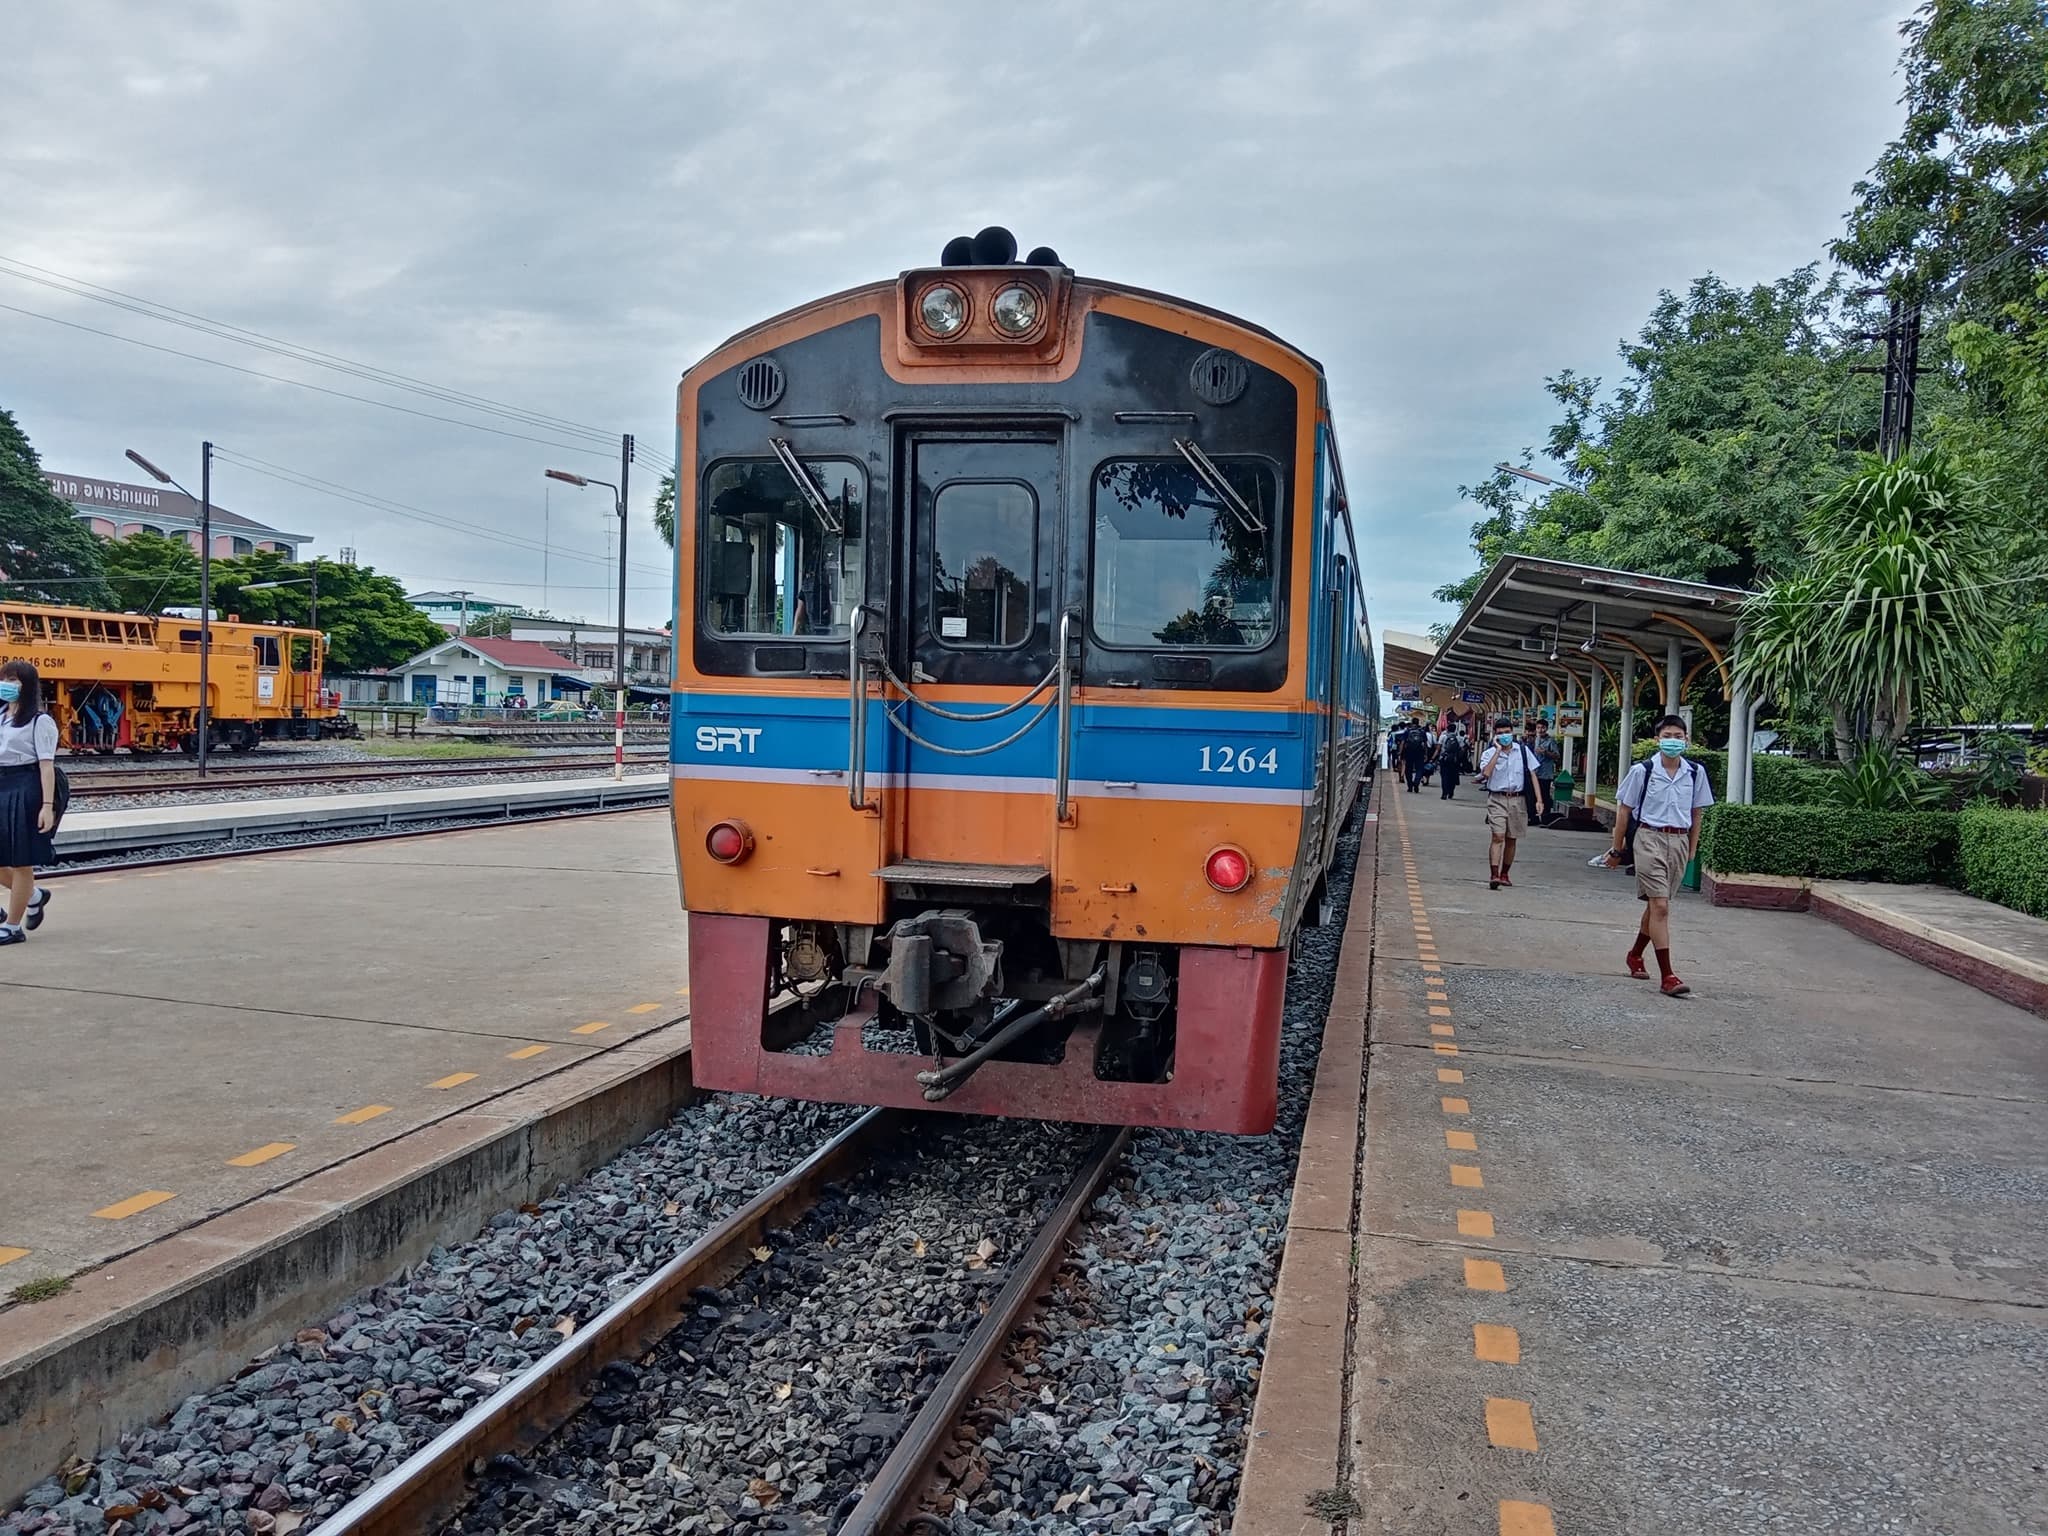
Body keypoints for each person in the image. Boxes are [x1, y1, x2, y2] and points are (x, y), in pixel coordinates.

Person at [1604, 713, 1714, 997]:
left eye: (1678, 737)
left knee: (1656, 907)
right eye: (1667, 736)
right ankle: (1668, 976)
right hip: (1649, 837)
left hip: (1677, 840)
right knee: (1662, 907)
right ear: (1657, 740)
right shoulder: (1643, 771)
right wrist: (1618, 849)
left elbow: (1697, 812)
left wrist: (1692, 848)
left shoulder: (1695, 772)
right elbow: (1624, 811)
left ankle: (1635, 954)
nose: (1673, 742)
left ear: (1687, 740)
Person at [0, 660, 59, 946]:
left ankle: (12, 926)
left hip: (26, 787)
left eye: (14, 680)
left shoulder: (40, 721)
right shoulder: (1, 715)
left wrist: (47, 806)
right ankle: (33, 896)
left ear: (28, 685)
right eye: (4, 678)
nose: (7, 684)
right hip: (2, 785)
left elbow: (46, 766)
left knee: (21, 859)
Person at [1477, 715, 1541, 889]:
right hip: (1497, 799)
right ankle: (1494, 874)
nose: (1504, 736)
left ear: (1512, 733)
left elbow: (1533, 774)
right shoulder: (1489, 754)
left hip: (1518, 799)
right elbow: (1486, 774)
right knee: (1497, 836)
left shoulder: (1522, 751)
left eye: (1507, 732)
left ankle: (1505, 873)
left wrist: (1539, 800)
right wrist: (1497, 751)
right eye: (1500, 734)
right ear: (1495, 736)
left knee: (1511, 838)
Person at [1530, 720, 1561, 820]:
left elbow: (1557, 756)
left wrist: (1545, 752)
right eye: (1538, 728)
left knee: (1544, 795)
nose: (1540, 730)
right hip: (1535, 773)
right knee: (1533, 795)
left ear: (1546, 728)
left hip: (1545, 773)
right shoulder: (1535, 740)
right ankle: (1534, 816)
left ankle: (1545, 817)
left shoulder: (1551, 741)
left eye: (1542, 728)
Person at [1436, 726, 1467, 801]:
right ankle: (1451, 792)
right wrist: (1459, 757)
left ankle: (1444, 793)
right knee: (1452, 776)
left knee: (1444, 776)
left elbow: (1438, 748)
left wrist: (1434, 758)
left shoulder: (1443, 737)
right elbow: (1463, 748)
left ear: (1447, 729)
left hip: (1444, 759)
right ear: (1455, 729)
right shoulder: (1459, 738)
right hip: (1454, 760)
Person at [1400, 721, 1429, 793]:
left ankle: (1410, 786)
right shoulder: (1422, 732)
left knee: (1408, 769)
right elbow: (1425, 744)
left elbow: (1403, 742)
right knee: (1419, 769)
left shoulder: (1407, 731)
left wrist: (1400, 752)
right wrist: (1426, 754)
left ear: (1412, 723)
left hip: (1409, 752)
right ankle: (1416, 782)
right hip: (1419, 752)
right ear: (1418, 723)